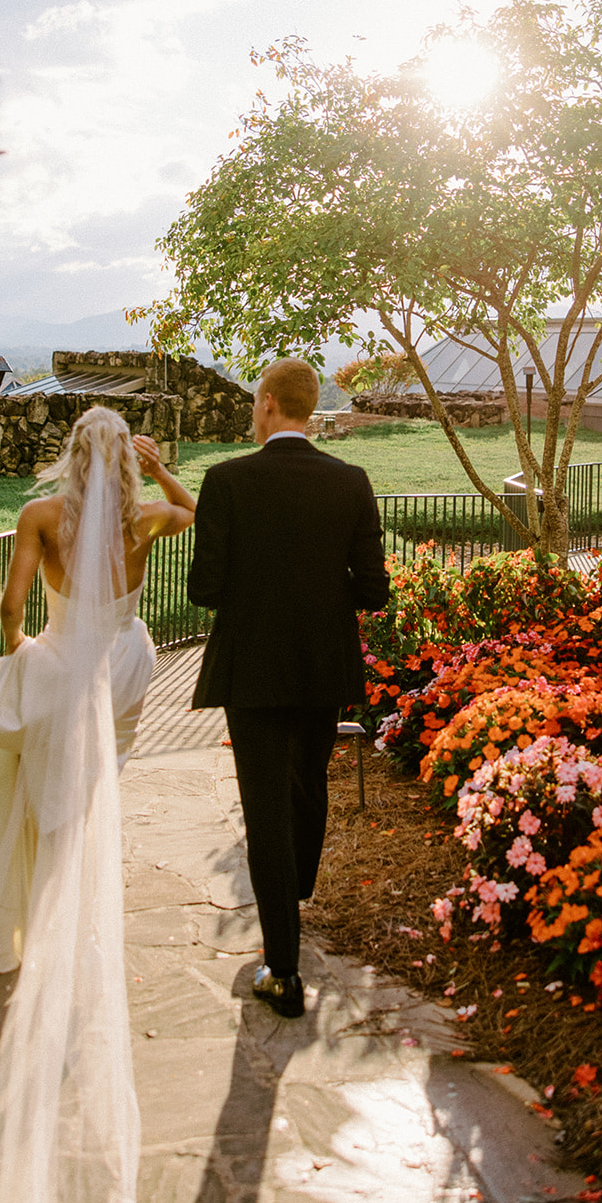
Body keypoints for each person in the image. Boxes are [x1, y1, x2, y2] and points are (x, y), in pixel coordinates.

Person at [0, 406, 195, 1203]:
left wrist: (29, 666)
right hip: (121, 670)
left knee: (41, 802)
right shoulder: (147, 518)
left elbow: (10, 604)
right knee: (92, 798)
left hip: (60, 670)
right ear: (126, 457)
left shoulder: (40, 518)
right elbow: (195, 512)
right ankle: (74, 923)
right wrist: (161, 470)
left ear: (68, 454)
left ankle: (38, 920)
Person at [186, 358, 390, 1019]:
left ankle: (283, 964)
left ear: (269, 404)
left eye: (255, 403)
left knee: (265, 808)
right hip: (323, 664)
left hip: (252, 669)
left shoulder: (226, 480)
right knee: (307, 785)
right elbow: (373, 590)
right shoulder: (351, 481)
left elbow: (206, 590)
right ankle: (292, 899)